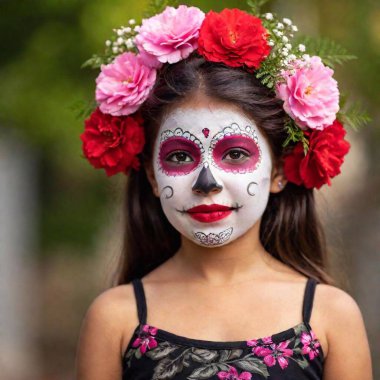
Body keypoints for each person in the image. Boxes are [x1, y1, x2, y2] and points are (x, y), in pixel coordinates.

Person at [75, 4, 373, 380]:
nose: (206, 182)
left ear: (279, 170)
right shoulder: (115, 318)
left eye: (234, 153)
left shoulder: (330, 316)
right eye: (180, 156)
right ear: (152, 175)